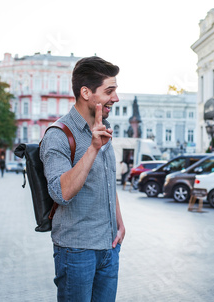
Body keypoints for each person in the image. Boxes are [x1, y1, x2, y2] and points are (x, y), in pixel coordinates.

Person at [40, 56, 125, 302]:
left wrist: (119, 224)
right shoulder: (58, 135)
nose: (116, 98)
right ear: (86, 92)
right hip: (76, 251)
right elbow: (61, 193)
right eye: (109, 91)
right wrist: (93, 148)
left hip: (109, 247)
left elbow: (108, 181)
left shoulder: (104, 127)